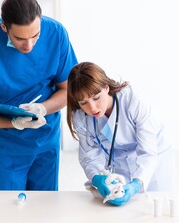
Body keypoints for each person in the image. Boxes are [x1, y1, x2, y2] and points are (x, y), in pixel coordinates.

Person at [0, 0, 77, 191]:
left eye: (35, 36)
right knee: (7, 213)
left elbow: (68, 89)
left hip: (45, 140)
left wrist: (42, 108)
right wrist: (14, 122)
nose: (29, 45)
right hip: (4, 147)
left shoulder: (56, 33)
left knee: (45, 211)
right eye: (20, 39)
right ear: (4, 27)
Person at [67, 62, 175, 206]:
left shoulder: (133, 101)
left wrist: (136, 184)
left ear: (106, 88)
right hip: (120, 164)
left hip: (155, 162)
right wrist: (97, 177)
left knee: (159, 207)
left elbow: (148, 153)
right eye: (83, 102)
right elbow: (90, 158)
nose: (92, 108)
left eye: (96, 97)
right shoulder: (81, 117)